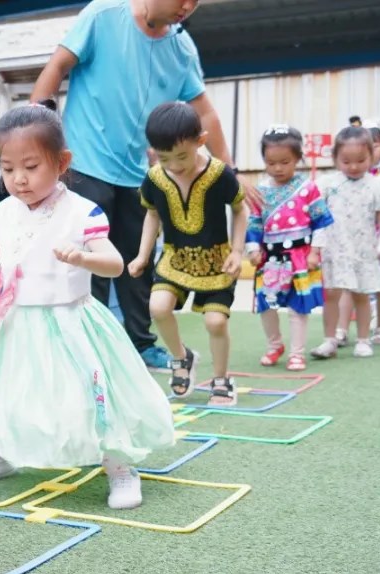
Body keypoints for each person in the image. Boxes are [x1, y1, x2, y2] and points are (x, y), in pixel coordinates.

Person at [0, 104, 175, 510]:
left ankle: (120, 466)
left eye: (31, 166)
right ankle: (1, 455)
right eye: (8, 168)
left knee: (91, 396)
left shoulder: (83, 212)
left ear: (62, 162)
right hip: (17, 324)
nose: (19, 179)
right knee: (7, 394)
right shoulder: (3, 212)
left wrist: (84, 258)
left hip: (71, 322)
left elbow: (116, 263)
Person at [30, 0, 261, 371]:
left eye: (196, 0)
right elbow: (56, 67)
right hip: (85, 164)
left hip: (136, 173)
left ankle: (141, 344)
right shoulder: (103, 15)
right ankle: (91, 349)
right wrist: (38, 135)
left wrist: (228, 170)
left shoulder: (182, 47)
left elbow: (204, 112)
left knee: (138, 262)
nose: (188, 6)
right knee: (93, 262)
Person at [128, 102, 246, 405]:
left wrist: (237, 250)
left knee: (216, 322)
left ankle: (221, 379)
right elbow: (152, 215)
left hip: (215, 260)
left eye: (182, 156)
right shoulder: (155, 178)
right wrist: (143, 256)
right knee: (158, 307)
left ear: (200, 141)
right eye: (165, 158)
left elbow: (239, 208)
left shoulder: (219, 174)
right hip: (175, 257)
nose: (175, 165)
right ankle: (182, 358)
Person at [245, 126, 334, 372]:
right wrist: (253, 249)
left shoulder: (308, 188)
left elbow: (321, 223)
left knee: (297, 308)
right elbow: (253, 223)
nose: (278, 168)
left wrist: (315, 251)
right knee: (267, 305)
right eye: (271, 162)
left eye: (285, 162)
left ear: (297, 158)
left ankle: (297, 353)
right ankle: (274, 346)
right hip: (270, 259)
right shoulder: (260, 190)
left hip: (299, 258)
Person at [310, 126, 380, 360]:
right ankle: (330, 339)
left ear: (371, 156)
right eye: (346, 161)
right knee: (331, 294)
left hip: (363, 249)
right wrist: (314, 247)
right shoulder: (327, 184)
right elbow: (316, 216)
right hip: (334, 249)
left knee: (361, 294)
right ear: (336, 158)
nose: (353, 166)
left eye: (361, 160)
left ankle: (362, 339)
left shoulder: (377, 185)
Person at [335, 116, 380, 346]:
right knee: (348, 286)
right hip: (352, 236)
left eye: (375, 145)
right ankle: (341, 330)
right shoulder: (343, 177)